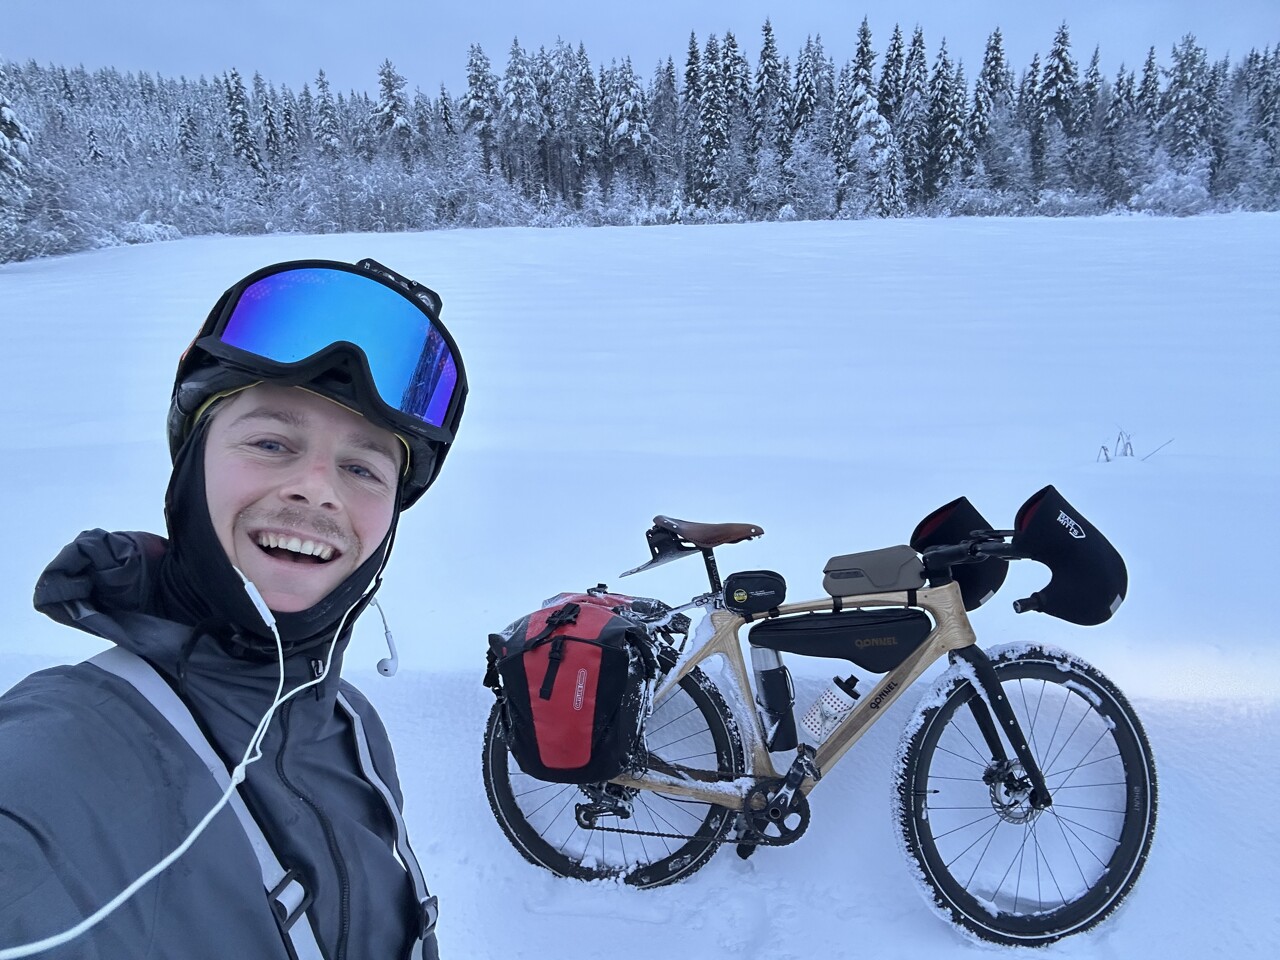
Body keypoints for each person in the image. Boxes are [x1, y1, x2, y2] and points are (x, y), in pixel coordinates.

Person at [0, 258, 467, 959]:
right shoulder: (53, 759)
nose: (318, 491)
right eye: (272, 442)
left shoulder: (349, 723)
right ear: (191, 466)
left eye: (364, 467)